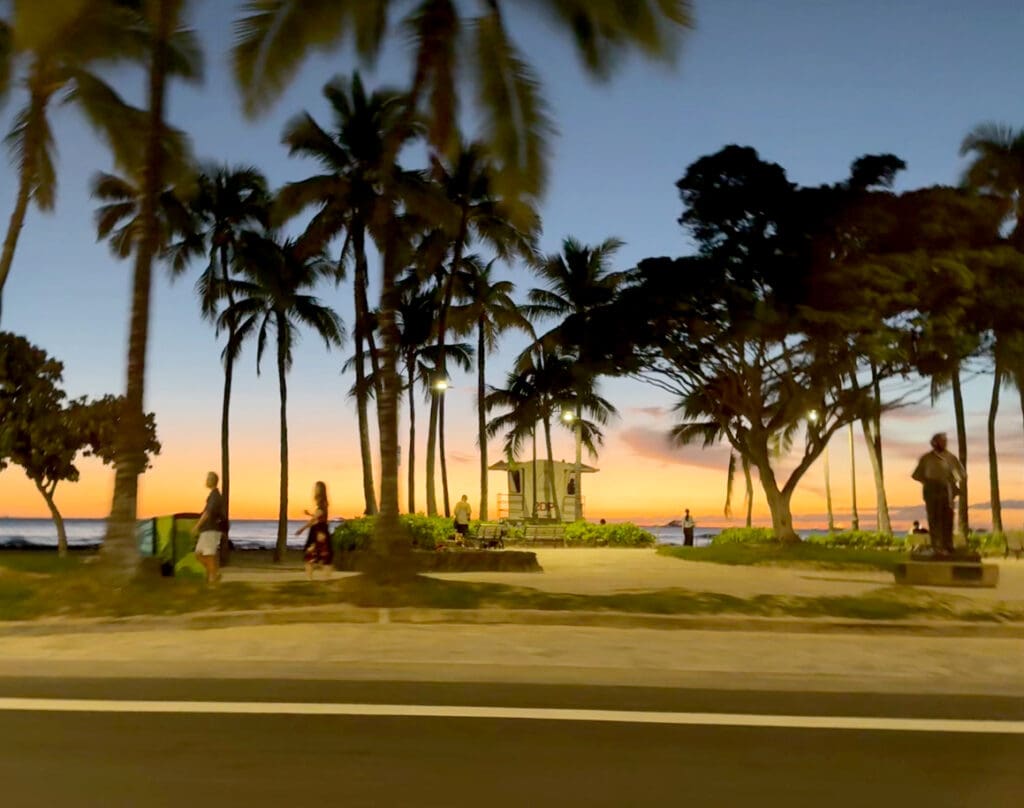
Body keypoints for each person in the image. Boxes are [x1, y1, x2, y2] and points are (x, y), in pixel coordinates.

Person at [911, 433, 965, 556]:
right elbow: (916, 475)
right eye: (941, 441)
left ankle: (948, 545)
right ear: (934, 443)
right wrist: (928, 481)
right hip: (931, 492)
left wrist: (952, 482)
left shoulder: (951, 458)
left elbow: (960, 474)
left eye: (945, 441)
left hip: (947, 492)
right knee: (934, 519)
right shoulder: (926, 458)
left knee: (947, 519)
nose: (944, 443)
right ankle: (936, 546)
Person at [191, 471, 226, 583]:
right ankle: (214, 574)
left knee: (207, 554)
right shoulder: (213, 495)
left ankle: (213, 577)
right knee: (201, 554)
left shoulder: (215, 496)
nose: (206, 481)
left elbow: (208, 513)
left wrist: (197, 526)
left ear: (212, 481)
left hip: (211, 529)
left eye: (208, 478)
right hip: (209, 529)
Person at [296, 481, 333, 580]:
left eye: (316, 487)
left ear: (320, 490)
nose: (314, 489)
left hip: (319, 532)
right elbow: (319, 517)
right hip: (320, 530)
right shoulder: (323, 503)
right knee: (321, 557)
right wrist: (310, 514)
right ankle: (319, 580)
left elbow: (315, 520)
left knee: (314, 556)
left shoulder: (322, 503)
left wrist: (301, 529)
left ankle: (312, 580)